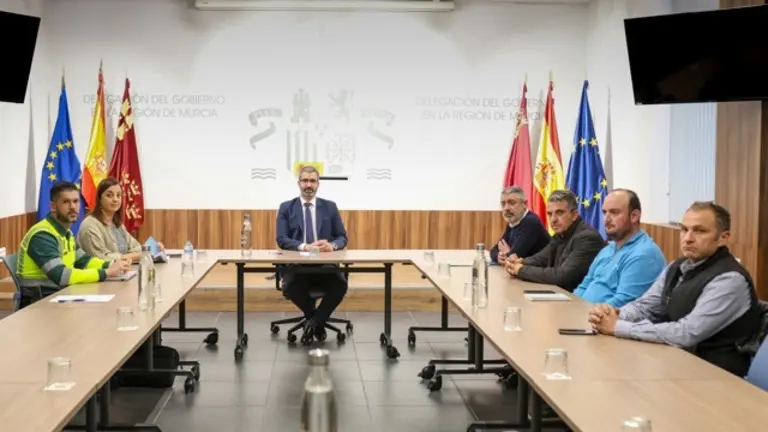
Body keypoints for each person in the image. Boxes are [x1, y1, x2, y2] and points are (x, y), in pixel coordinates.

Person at [588, 201, 762, 377]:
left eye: (699, 231)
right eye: (684, 230)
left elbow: (686, 333)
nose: (688, 238)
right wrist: (611, 315)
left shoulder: (730, 280)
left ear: (723, 237)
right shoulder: (677, 267)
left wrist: (618, 326)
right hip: (676, 364)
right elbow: (645, 307)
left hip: (716, 377)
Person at [16, 181, 131, 308]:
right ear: (53, 206)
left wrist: (112, 264)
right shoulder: (42, 235)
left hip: (61, 296)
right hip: (38, 304)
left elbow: (85, 261)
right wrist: (106, 272)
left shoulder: (67, 233)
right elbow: (62, 276)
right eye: (66, 202)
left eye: (76, 201)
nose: (72, 207)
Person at [276, 166, 349, 341]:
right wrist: (304, 247)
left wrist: (332, 245)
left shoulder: (330, 207)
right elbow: (282, 239)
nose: (308, 185)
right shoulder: (286, 208)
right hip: (297, 265)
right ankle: (318, 323)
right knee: (291, 286)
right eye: (305, 181)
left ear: (318, 184)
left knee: (340, 285)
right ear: (298, 183)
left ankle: (314, 322)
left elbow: (342, 237)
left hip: (325, 265)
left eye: (312, 181)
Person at [572, 189, 666, 307]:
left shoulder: (645, 255)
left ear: (634, 216)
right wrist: (570, 307)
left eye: (614, 212)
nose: (606, 219)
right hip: (583, 313)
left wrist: (582, 314)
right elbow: (584, 286)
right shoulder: (608, 249)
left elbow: (621, 304)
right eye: (604, 212)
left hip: (605, 317)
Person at [504, 189, 604, 292]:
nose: (553, 220)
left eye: (559, 213)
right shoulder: (561, 233)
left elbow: (561, 276)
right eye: (549, 214)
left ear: (574, 215)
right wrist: (519, 262)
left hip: (579, 299)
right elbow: (541, 258)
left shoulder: (587, 238)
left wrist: (520, 270)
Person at [77, 177, 164, 262]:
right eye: (109, 195)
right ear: (99, 199)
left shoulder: (117, 225)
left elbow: (135, 247)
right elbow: (101, 258)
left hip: (122, 270)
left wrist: (151, 248)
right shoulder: (90, 226)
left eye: (118, 195)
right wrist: (134, 256)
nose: (115, 199)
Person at [489, 186, 550, 264]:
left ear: (525, 204)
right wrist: (499, 256)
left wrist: (508, 253)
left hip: (544, 270)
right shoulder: (512, 222)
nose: (506, 208)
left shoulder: (531, 222)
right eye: (503, 204)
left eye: (512, 203)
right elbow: (494, 250)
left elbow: (515, 256)